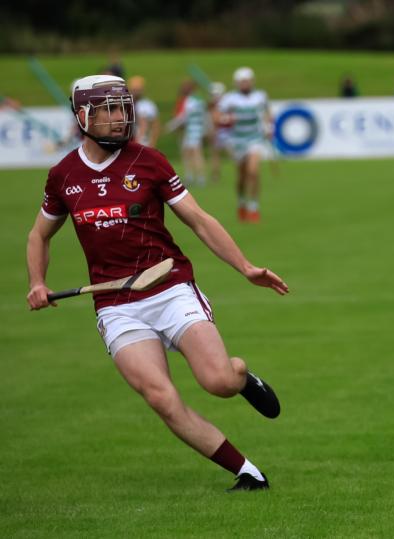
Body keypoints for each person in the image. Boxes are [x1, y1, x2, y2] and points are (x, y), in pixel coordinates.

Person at [26, 74, 289, 491]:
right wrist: (37, 282)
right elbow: (39, 235)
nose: (119, 117)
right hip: (116, 306)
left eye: (122, 108)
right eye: (109, 110)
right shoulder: (63, 175)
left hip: (168, 287)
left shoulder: (148, 161)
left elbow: (198, 220)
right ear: (83, 117)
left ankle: (241, 375)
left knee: (218, 381)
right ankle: (247, 472)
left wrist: (246, 267)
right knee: (161, 398)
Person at [215, 67, 275, 223]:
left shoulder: (260, 96)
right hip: (237, 141)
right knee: (242, 177)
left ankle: (254, 207)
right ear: (236, 83)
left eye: (247, 81)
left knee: (253, 172)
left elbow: (268, 113)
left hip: (255, 139)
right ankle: (241, 202)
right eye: (242, 81)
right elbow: (217, 116)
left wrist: (269, 128)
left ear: (252, 81)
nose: (245, 84)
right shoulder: (230, 99)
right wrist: (227, 119)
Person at [165, 80, 207, 186]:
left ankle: (199, 177)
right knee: (187, 152)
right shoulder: (199, 100)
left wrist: (170, 126)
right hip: (196, 129)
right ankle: (192, 176)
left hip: (192, 129)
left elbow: (183, 117)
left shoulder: (189, 101)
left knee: (195, 152)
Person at [128, 75, 160, 147]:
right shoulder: (125, 104)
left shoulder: (149, 105)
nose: (136, 92)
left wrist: (152, 143)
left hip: (144, 142)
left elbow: (155, 126)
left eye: (138, 89)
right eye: (134, 89)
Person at [207, 82, 229, 183]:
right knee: (215, 154)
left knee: (232, 153)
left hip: (226, 132)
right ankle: (215, 174)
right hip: (217, 131)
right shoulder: (212, 105)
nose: (214, 96)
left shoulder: (226, 104)